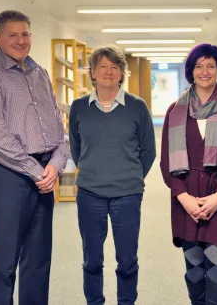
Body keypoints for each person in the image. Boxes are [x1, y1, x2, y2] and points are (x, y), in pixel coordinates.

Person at [0, 9, 69, 305]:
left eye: (25, 34)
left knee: (38, 259)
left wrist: (55, 164)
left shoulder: (40, 74)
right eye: (12, 34)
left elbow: (56, 125)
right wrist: (36, 171)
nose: (20, 40)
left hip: (43, 172)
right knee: (5, 261)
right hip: (6, 174)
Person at [160, 44, 217, 305]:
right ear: (191, 71)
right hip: (185, 198)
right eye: (199, 66)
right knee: (194, 269)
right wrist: (183, 196)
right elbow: (167, 161)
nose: (205, 71)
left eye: (211, 65)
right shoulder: (176, 110)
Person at [68, 45, 156, 305]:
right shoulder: (79, 107)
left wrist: (130, 177)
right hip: (90, 194)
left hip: (127, 195)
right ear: (92, 72)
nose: (108, 72)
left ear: (121, 73)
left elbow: (148, 150)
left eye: (114, 67)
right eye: (102, 66)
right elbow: (76, 147)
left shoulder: (137, 107)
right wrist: (93, 170)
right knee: (92, 259)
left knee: (127, 260)